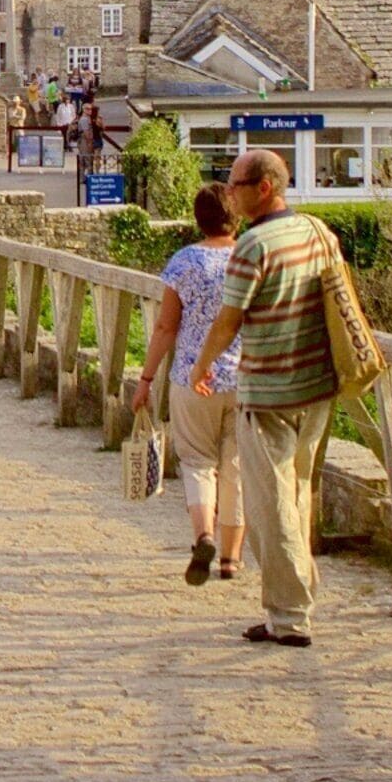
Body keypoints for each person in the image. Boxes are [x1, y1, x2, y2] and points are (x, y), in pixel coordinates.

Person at [188, 146, 343, 647]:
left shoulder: (252, 247)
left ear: (264, 188)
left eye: (235, 184)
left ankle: (290, 616)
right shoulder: (317, 232)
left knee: (270, 503)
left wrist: (200, 366)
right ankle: (301, 592)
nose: (228, 193)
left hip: (271, 389)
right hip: (317, 385)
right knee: (297, 492)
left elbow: (227, 322)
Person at [124, 183, 246, 587]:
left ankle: (203, 536)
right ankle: (231, 559)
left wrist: (145, 379)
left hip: (193, 379)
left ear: (199, 219)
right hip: (245, 380)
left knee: (197, 464)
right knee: (235, 469)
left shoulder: (184, 262)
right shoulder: (249, 260)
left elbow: (165, 327)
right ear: (237, 216)